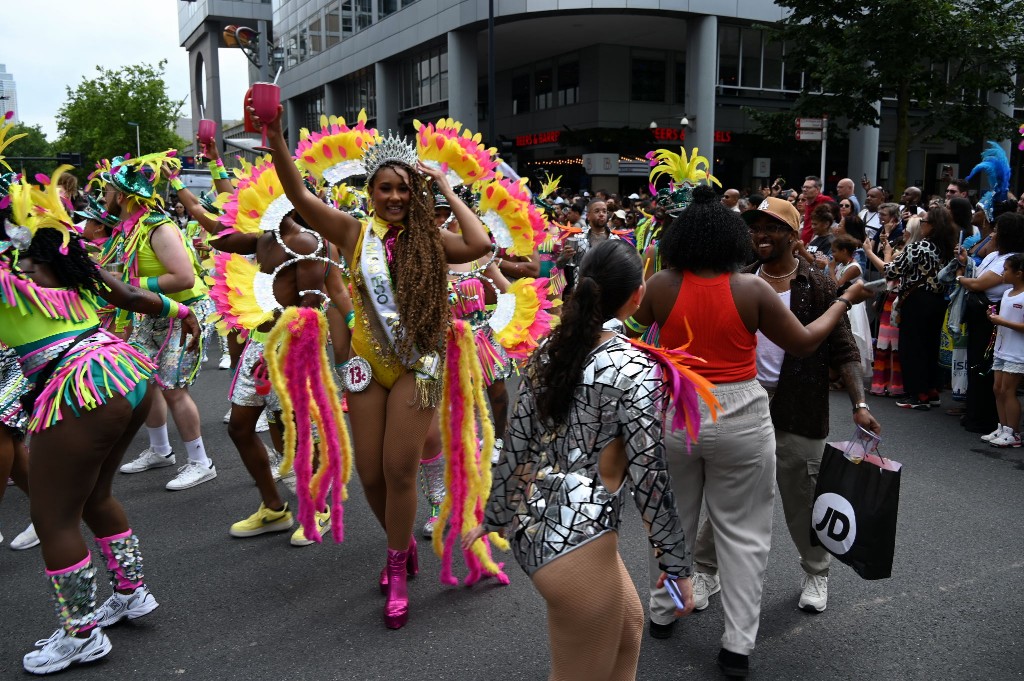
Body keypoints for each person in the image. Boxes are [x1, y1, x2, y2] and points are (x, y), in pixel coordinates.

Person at [257, 104, 492, 629]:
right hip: (366, 366)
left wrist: (447, 189)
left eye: (404, 189)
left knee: (398, 469)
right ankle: (402, 541)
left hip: (419, 365)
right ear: (371, 191)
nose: (394, 197)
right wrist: (275, 137)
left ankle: (398, 568)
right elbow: (298, 196)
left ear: (416, 193)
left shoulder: (433, 240)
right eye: (385, 188)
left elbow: (479, 244)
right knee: (368, 473)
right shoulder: (352, 233)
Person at [630, 189, 873, 677]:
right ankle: (736, 647)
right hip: (741, 410)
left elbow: (633, 337)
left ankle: (663, 611)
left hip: (680, 410)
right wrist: (844, 300)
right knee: (743, 532)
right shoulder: (750, 289)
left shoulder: (660, 284)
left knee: (675, 519)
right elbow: (804, 343)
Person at [467, 239, 697, 680]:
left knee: (629, 631)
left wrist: (496, 516)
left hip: (542, 530)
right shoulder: (632, 367)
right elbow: (650, 478)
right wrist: (676, 567)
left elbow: (519, 444)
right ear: (637, 294)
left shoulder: (554, 347)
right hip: (578, 548)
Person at [2, 169, 200, 674]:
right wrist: (183, 312)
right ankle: (132, 594)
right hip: (125, 375)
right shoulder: (77, 276)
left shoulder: (10, 287)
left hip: (82, 387)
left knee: (53, 519)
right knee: (95, 497)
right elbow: (133, 297)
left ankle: (82, 633)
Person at [103, 154, 218, 491]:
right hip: (151, 313)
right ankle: (159, 451)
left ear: (122, 195)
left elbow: (182, 277)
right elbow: (119, 272)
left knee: (173, 388)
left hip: (183, 316)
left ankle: (200, 462)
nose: (102, 197)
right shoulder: (127, 228)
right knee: (145, 383)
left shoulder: (157, 226)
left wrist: (135, 288)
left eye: (107, 191)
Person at [877, 205, 957, 410]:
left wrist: (884, 253)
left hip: (916, 300)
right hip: (939, 301)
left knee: (912, 347)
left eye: (924, 221)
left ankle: (917, 394)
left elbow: (892, 271)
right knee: (930, 346)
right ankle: (931, 390)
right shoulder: (948, 248)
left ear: (933, 225)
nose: (921, 224)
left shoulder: (918, 247)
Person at [954, 212, 1024, 433]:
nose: (992, 234)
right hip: (981, 318)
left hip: (993, 321)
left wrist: (959, 278)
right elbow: (977, 268)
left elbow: (978, 284)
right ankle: (992, 421)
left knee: (990, 374)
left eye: (997, 231)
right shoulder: (995, 255)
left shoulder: (1010, 259)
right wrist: (966, 263)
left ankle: (996, 423)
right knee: (984, 374)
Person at [986, 253, 1024, 447]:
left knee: (1009, 390)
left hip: (1017, 351)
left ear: (1019, 273)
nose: (1003, 272)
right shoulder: (1007, 293)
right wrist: (995, 317)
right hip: (1002, 348)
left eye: (1007, 269)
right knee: (998, 389)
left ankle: (1014, 432)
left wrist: (1002, 321)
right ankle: (1003, 427)